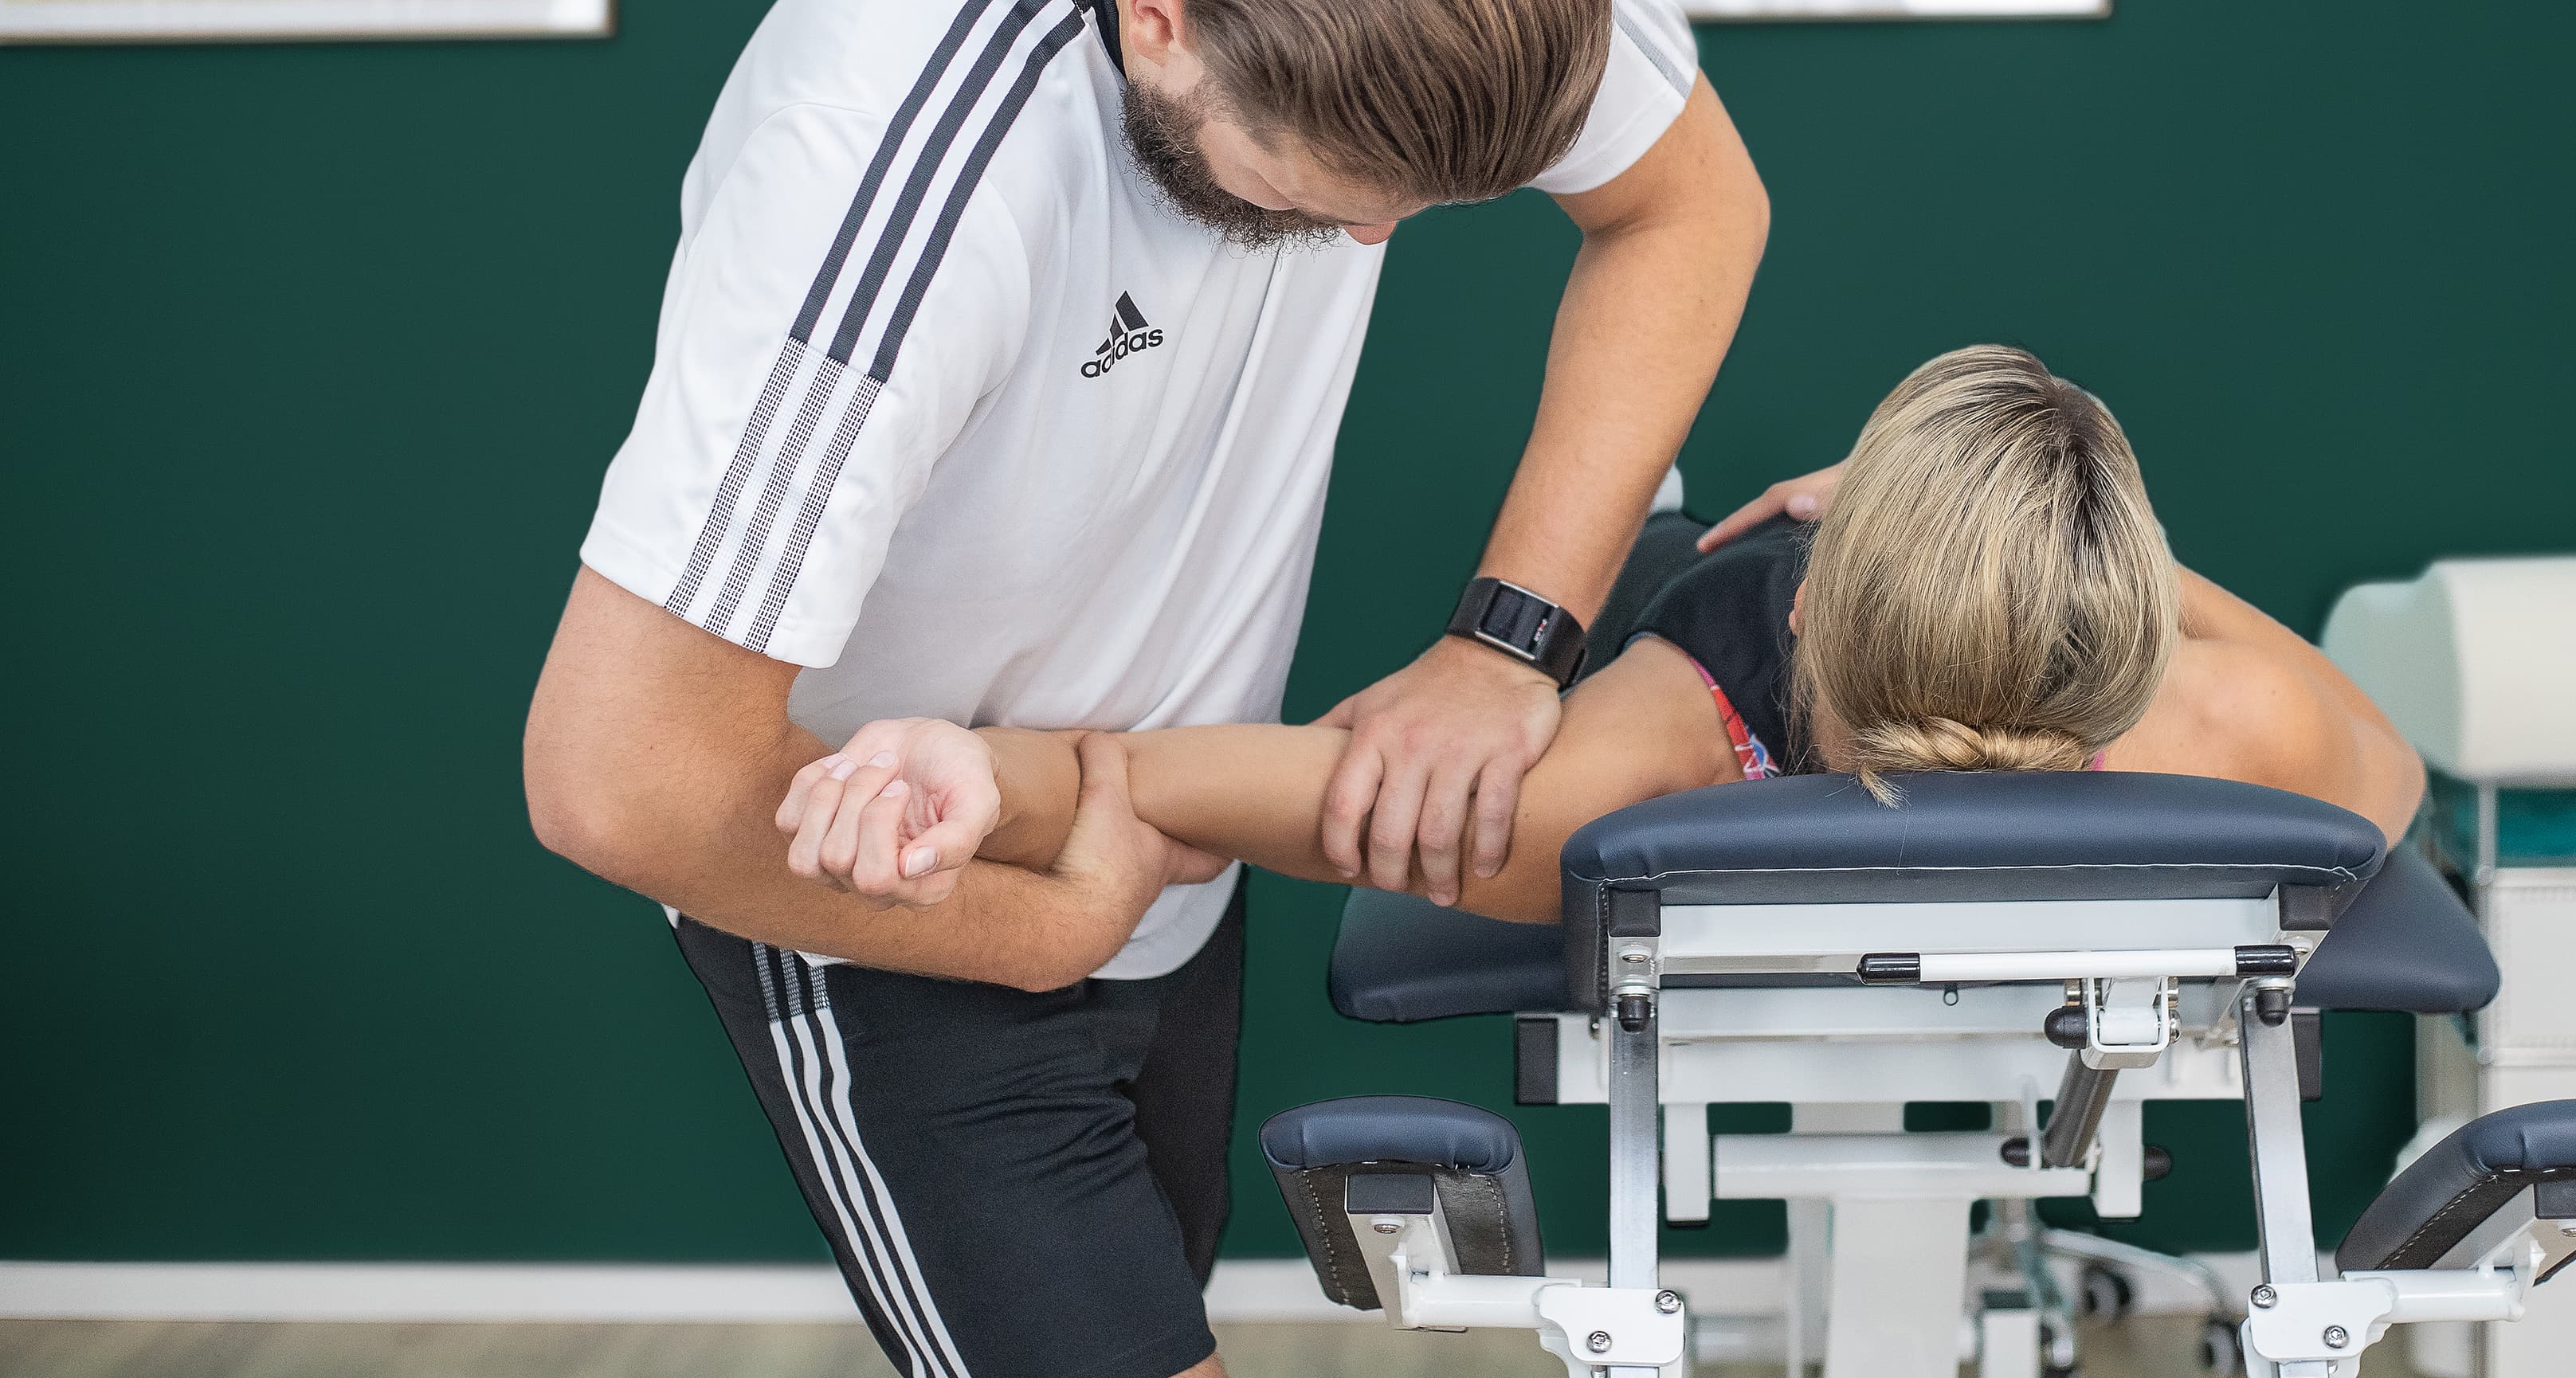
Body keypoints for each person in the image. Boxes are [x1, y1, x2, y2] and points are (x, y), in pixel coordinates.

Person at [523, 0, 1769, 1378]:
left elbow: (1691, 203)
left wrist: (1510, 637)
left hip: (1166, 853)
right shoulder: (895, 156)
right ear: (1163, 19)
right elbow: (619, 775)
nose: (1374, 239)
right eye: (1336, 189)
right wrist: (1046, 924)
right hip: (902, 892)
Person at [778, 346, 2425, 931]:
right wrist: (2147, 560)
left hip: (1812, 664)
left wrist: (964, 766)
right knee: (1658, 553)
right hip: (1721, 648)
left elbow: (1163, 783)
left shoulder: (1610, 817)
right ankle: (1673, 512)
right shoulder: (2240, 731)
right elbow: (2401, 763)